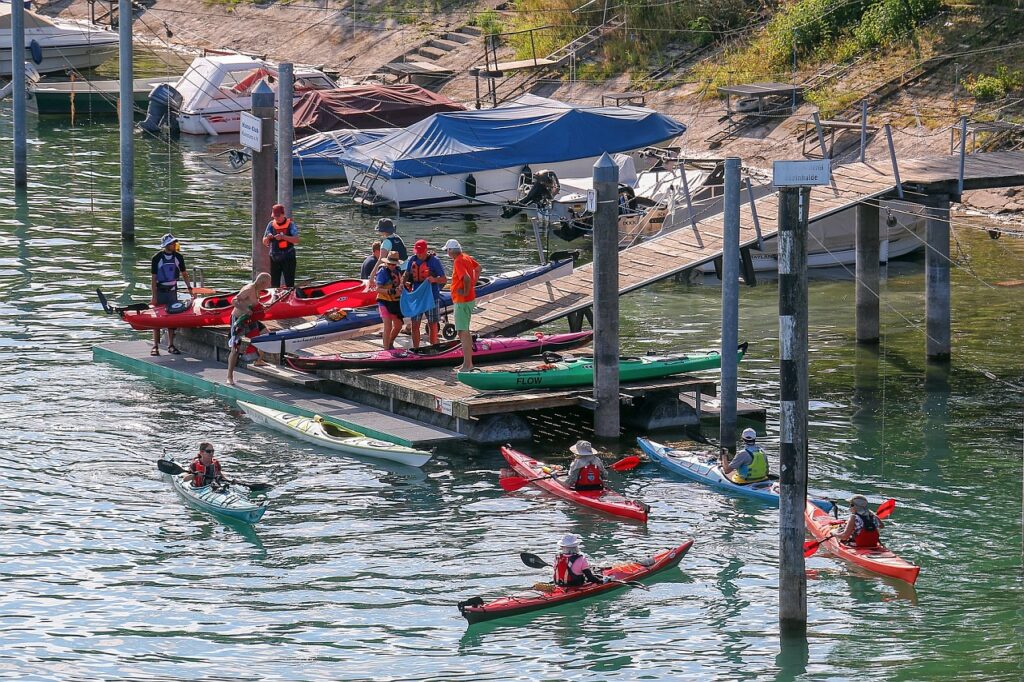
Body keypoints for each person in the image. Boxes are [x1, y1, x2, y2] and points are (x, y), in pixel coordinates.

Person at [150, 233, 194, 356]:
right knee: (157, 320)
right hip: (160, 292)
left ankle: (171, 345)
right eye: (171, 243)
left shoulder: (178, 257)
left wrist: (190, 289)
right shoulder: (157, 258)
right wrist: (154, 297)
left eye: (174, 243)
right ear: (166, 245)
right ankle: (155, 346)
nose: (174, 245)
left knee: (171, 319)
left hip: (172, 292)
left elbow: (184, 274)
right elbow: (153, 279)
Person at [226, 272, 272, 386]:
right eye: (267, 284)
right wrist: (245, 309)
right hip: (239, 319)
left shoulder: (257, 290)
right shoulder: (249, 289)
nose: (268, 286)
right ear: (262, 282)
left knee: (266, 334)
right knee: (235, 349)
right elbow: (234, 301)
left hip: (250, 319)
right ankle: (229, 376)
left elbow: (252, 302)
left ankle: (258, 360)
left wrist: (262, 305)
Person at [445, 239, 480, 371]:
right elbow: (478, 268)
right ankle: (467, 362)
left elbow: (465, 277)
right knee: (464, 331)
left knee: (462, 332)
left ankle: (468, 364)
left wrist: (466, 290)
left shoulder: (458, 260)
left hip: (462, 300)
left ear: (450, 251)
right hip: (468, 299)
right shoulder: (466, 257)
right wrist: (472, 285)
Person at [404, 239, 447, 348]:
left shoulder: (434, 261)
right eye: (417, 252)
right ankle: (416, 348)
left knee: (432, 324)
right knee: (415, 324)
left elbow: (443, 279)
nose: (419, 254)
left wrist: (434, 280)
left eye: (421, 252)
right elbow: (407, 275)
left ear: (426, 250)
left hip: (432, 297)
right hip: (417, 296)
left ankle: (433, 348)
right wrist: (404, 283)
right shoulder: (412, 260)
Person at [262, 203, 300, 288]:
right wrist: (268, 238)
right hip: (275, 258)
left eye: (278, 216)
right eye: (275, 216)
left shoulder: (291, 225)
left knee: (289, 284)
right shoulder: (271, 225)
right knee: (274, 284)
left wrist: (283, 237)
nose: (276, 218)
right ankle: (275, 298)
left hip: (288, 258)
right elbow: (264, 242)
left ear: (283, 214)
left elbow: (297, 240)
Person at [375, 251, 405, 350]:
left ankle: (390, 342)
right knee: (387, 325)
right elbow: (377, 289)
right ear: (387, 263)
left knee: (398, 325)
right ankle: (385, 348)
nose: (392, 266)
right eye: (390, 264)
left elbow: (400, 284)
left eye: (394, 264)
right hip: (384, 301)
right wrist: (389, 291)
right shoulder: (382, 272)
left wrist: (401, 287)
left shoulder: (397, 271)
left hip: (395, 302)